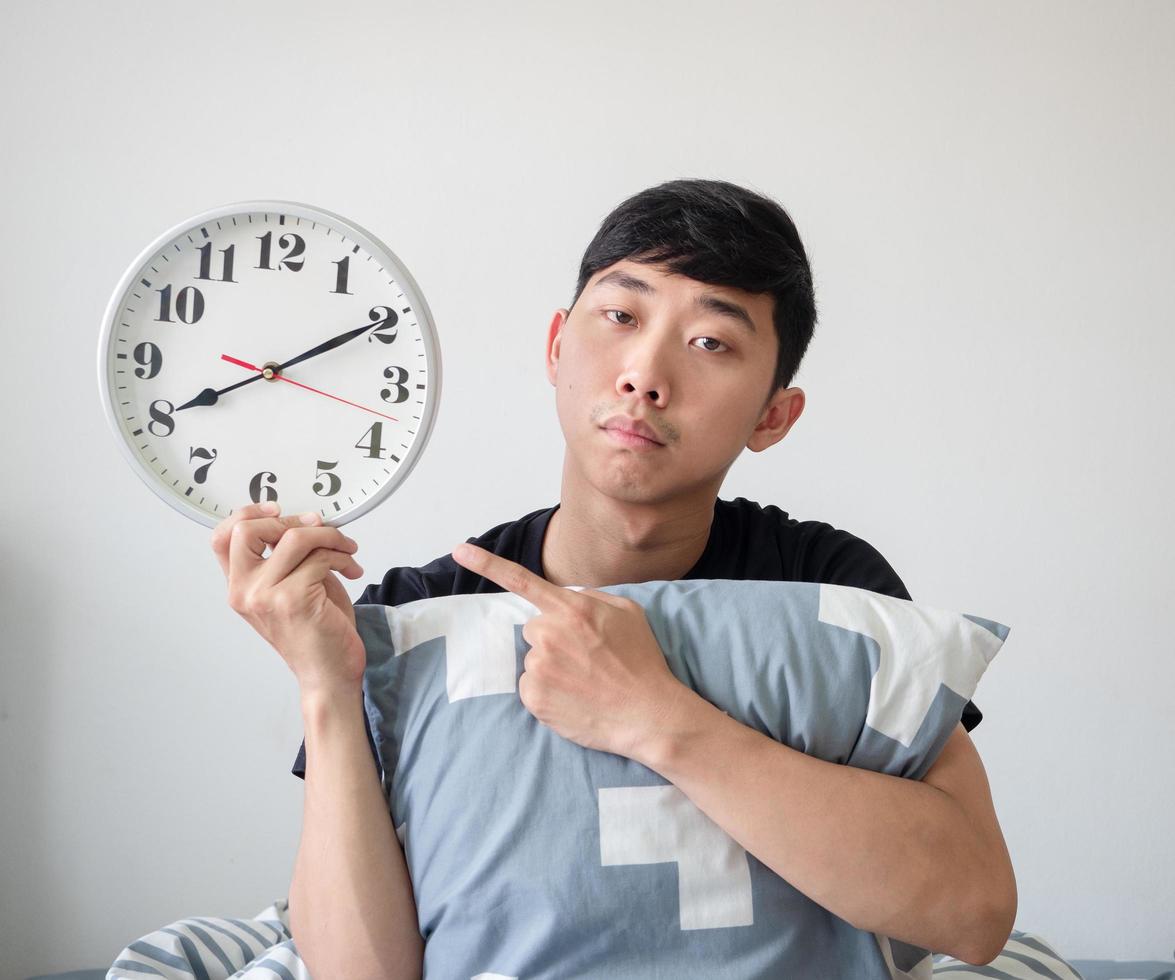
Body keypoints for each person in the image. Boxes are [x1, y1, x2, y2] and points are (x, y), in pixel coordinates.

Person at [210, 178, 1015, 978]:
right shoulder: (419, 614)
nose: (644, 373)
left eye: (711, 342)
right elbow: (359, 973)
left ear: (773, 415)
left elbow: (971, 914)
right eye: (621, 316)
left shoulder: (828, 587)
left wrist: (650, 715)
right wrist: (323, 685)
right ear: (557, 345)